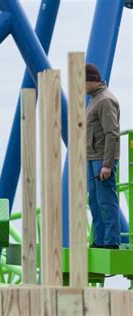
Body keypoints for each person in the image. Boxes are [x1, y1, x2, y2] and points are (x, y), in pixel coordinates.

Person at [86, 63, 121, 249]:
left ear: (91, 80)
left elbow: (112, 133)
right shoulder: (95, 98)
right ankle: (99, 240)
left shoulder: (105, 100)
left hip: (102, 158)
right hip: (92, 157)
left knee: (106, 200)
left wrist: (107, 164)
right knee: (94, 201)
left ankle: (111, 241)